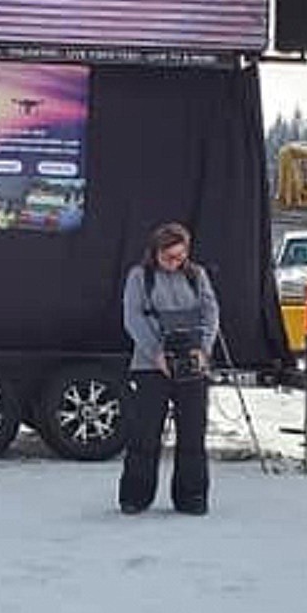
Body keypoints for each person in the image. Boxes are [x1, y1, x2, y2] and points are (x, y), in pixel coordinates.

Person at [117, 221, 220, 516]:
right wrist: (155, 353)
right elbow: (132, 317)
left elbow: (211, 311)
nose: (174, 264)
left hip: (192, 361)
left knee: (192, 432)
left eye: (180, 257)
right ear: (156, 253)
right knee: (145, 433)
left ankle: (192, 496)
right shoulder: (140, 277)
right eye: (168, 258)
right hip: (151, 365)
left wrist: (204, 349)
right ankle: (135, 496)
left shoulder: (196, 276)